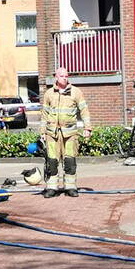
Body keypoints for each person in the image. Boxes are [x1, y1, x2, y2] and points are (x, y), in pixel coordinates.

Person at [39, 66, 92, 198]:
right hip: (52, 133)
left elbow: (84, 110)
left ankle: (70, 187)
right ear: (56, 77)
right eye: (62, 76)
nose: (65, 78)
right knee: (52, 161)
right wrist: (42, 131)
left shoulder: (76, 92)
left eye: (66, 76)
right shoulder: (49, 93)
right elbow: (44, 114)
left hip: (70, 133)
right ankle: (52, 187)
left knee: (70, 160)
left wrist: (87, 128)